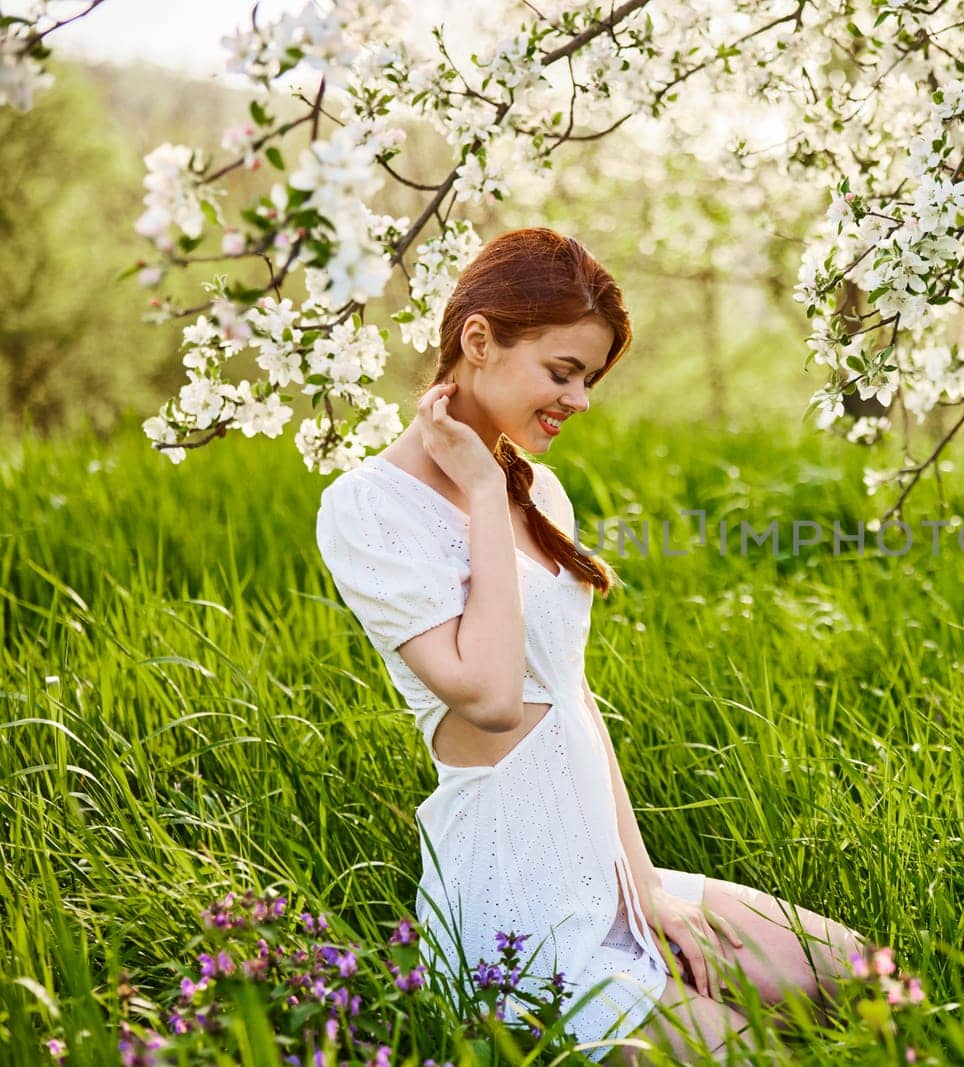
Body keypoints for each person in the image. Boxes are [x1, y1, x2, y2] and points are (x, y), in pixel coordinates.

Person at [314, 227, 865, 1063]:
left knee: (859, 976)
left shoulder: (544, 490)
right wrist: (481, 490)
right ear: (478, 340)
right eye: (562, 371)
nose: (579, 398)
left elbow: (572, 702)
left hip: (607, 865)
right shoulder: (365, 509)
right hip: (515, 893)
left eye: (589, 378)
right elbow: (494, 699)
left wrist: (646, 892)